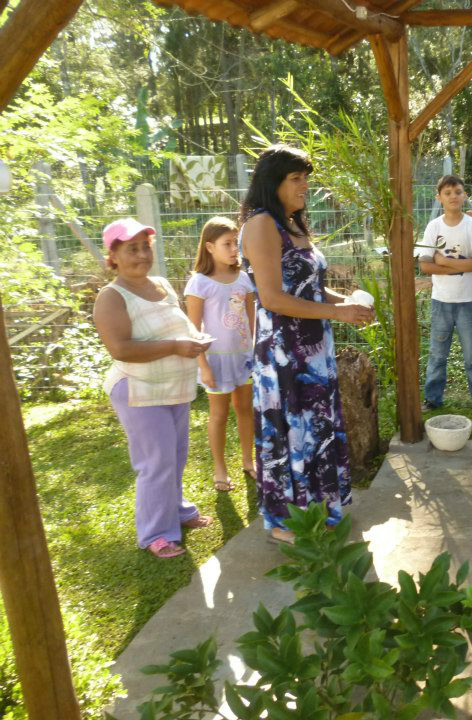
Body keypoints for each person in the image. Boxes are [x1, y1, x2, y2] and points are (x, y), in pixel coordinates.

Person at [239, 144, 373, 544]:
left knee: (315, 428)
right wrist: (338, 314)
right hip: (284, 350)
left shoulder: (293, 223)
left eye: (305, 179)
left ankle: (316, 508)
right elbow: (274, 298)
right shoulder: (261, 225)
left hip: (313, 348)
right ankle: (284, 522)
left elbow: (310, 289)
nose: (305, 187)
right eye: (296, 179)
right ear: (273, 183)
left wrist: (346, 304)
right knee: (290, 429)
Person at [93, 218, 213, 559]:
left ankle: (176, 510)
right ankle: (156, 533)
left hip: (172, 386)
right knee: (156, 461)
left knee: (175, 456)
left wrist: (193, 340)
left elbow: (178, 325)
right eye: (132, 249)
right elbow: (121, 349)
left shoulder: (160, 284)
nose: (142, 255)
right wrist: (176, 346)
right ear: (113, 255)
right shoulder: (111, 297)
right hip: (138, 390)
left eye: (146, 247)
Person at [184, 216, 256, 492]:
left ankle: (249, 461)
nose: (234, 249)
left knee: (245, 410)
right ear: (210, 247)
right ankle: (219, 469)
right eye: (227, 244)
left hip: (243, 359)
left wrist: (255, 352)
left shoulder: (244, 279)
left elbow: (252, 321)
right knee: (218, 415)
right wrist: (203, 366)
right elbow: (193, 329)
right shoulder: (200, 283)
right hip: (215, 360)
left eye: (235, 243)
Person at [417, 174, 472, 411]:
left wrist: (444, 261)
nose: (453, 197)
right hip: (442, 302)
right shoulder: (433, 227)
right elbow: (425, 266)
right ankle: (432, 399)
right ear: (439, 197)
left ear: (465, 195)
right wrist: (460, 264)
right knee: (437, 355)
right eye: (447, 193)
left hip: (468, 301)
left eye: (458, 192)